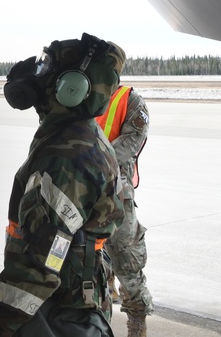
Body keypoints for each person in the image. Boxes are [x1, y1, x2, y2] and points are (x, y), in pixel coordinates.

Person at [0, 33, 127, 337]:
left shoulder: (66, 157)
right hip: (71, 304)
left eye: (50, 68)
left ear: (73, 88)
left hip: (57, 312)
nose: (39, 74)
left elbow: (40, 262)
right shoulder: (78, 136)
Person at [96, 85, 153, 337]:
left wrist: (87, 158)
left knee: (126, 260)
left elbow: (131, 142)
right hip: (79, 192)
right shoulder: (77, 95)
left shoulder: (130, 101)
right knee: (87, 261)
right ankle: (95, 323)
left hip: (116, 194)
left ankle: (137, 321)